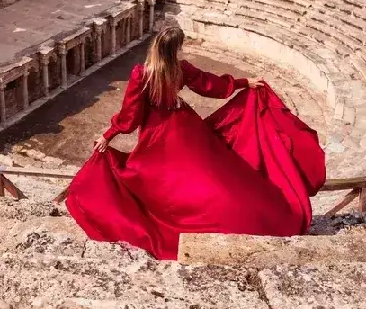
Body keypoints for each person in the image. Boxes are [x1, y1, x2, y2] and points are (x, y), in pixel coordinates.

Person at [66, 25, 326, 260]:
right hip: (187, 127)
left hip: (158, 134)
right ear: (176, 48)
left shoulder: (142, 74)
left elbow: (130, 116)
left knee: (154, 179)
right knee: (206, 174)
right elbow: (210, 86)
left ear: (155, 44)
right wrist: (243, 82)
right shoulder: (182, 69)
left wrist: (108, 135)